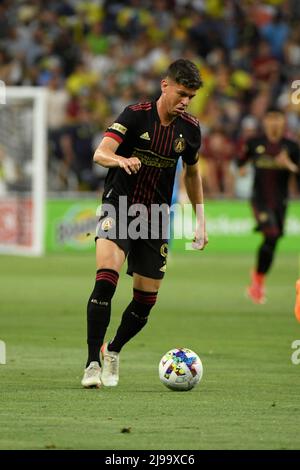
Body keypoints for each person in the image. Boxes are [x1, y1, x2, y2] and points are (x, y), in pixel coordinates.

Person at [81, 59, 208, 388]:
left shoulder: (190, 129)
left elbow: (192, 174)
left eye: (191, 97)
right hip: (120, 206)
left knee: (145, 302)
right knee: (106, 278)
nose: (185, 101)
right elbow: (101, 153)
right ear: (165, 86)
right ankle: (92, 362)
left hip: (156, 217)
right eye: (182, 93)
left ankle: (113, 350)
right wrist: (121, 159)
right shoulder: (135, 114)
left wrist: (200, 220)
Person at [237, 108, 300, 305]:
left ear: (283, 122)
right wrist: (241, 169)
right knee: (271, 234)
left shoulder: (291, 147)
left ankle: (257, 280)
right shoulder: (254, 143)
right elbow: (240, 162)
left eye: (277, 119)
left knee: (272, 242)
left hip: (280, 202)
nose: (273, 122)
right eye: (270, 118)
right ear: (265, 122)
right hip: (259, 200)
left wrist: (289, 165)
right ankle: (257, 282)